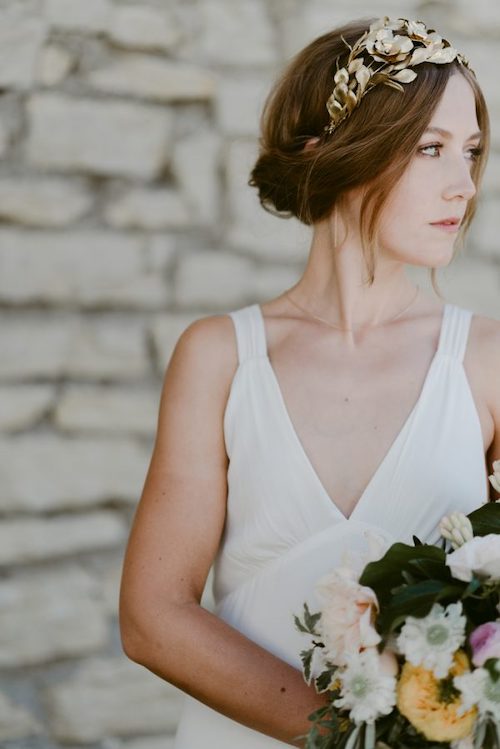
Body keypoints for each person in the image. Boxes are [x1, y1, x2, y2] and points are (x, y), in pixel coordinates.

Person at [119, 15, 500, 749]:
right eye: (431, 149)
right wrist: (358, 733)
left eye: (472, 152)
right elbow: (152, 614)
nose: (464, 184)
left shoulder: (485, 360)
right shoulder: (220, 357)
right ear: (338, 151)